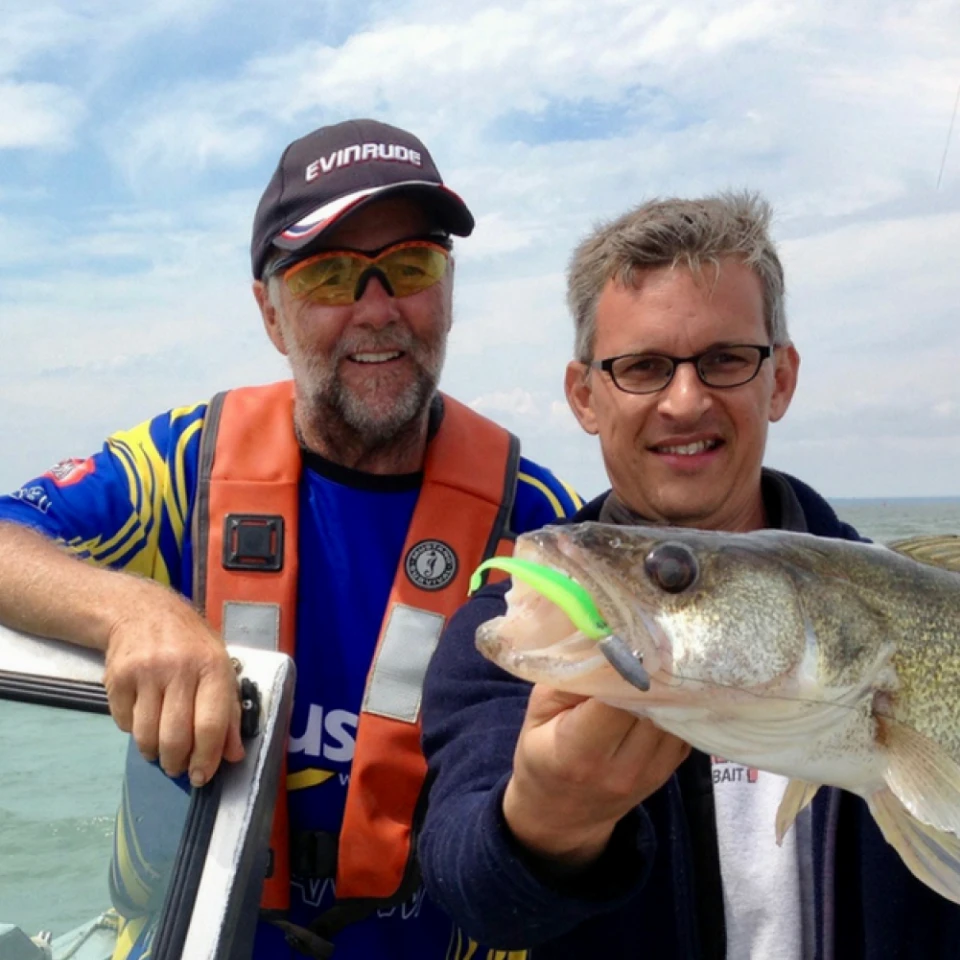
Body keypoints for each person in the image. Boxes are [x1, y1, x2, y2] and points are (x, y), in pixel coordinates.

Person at [0, 118, 581, 959]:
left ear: (448, 292)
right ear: (270, 313)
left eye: (410, 267)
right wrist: (132, 611)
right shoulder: (184, 467)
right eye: (329, 276)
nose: (376, 309)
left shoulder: (529, 519)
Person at [418, 192, 960, 959]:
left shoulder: (895, 600)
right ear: (585, 396)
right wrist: (545, 824)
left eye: (725, 360)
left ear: (780, 377)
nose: (685, 400)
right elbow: (467, 883)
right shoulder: (522, 630)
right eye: (641, 367)